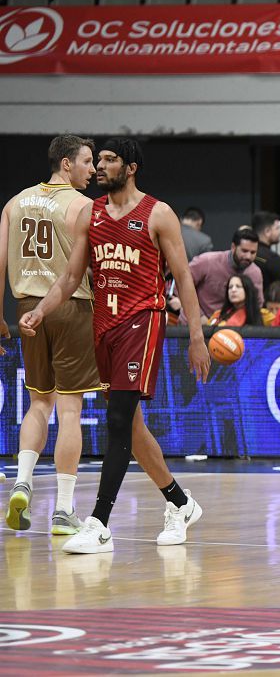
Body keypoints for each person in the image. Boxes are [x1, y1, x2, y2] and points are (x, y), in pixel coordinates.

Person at [19, 137, 211, 554]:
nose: (100, 167)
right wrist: (41, 311)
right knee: (132, 426)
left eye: (109, 160)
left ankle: (100, 523)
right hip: (103, 326)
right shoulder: (91, 213)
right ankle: (181, 503)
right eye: (99, 160)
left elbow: (183, 277)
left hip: (143, 321)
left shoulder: (158, 213)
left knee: (119, 419)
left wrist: (196, 336)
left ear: (131, 167)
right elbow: (71, 278)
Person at [0, 135, 100, 535]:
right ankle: (62, 509)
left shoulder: (14, 203)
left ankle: (22, 482)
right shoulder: (82, 205)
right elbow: (90, 267)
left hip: (26, 307)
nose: (93, 169)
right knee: (70, 410)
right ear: (66, 163)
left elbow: (0, 263)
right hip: (70, 306)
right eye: (87, 161)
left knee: (39, 403)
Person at [189, 227, 263, 319]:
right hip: (196, 321)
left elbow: (257, 305)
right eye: (244, 251)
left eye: (253, 252)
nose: (248, 256)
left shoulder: (255, 273)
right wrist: (199, 316)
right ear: (233, 247)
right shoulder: (207, 261)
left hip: (234, 325)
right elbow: (182, 285)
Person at [251, 210, 280, 302]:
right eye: (277, 228)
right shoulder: (273, 259)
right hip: (268, 307)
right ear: (267, 231)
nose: (279, 232)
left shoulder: (245, 256)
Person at [208, 274, 274, 327]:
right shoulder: (218, 315)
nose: (233, 290)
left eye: (238, 286)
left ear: (247, 290)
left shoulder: (263, 315)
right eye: (230, 287)